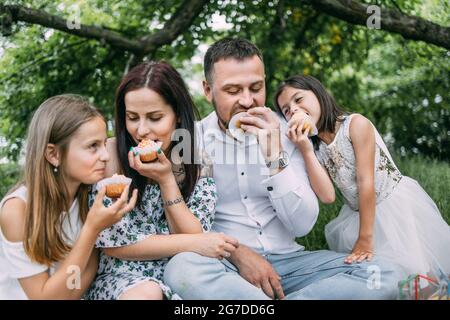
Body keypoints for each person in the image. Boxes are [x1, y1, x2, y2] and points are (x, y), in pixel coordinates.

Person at [163, 38, 402, 300]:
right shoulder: (190, 140)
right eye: (232, 90)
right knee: (181, 268)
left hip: (293, 263)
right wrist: (239, 254)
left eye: (256, 87)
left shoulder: (289, 132)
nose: (247, 101)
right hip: (226, 264)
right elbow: (182, 224)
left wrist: (274, 154)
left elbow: (302, 225)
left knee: (386, 273)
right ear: (208, 90)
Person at [84, 61, 239, 300]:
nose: (141, 130)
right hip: (124, 280)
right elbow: (114, 244)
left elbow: (196, 234)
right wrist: (193, 243)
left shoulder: (196, 160)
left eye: (155, 117)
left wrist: (167, 181)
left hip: (183, 273)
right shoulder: (110, 155)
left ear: (177, 115)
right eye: (132, 117)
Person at [273, 74, 450, 278]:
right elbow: (328, 196)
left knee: (416, 267)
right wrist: (305, 150)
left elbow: (366, 183)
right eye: (286, 110)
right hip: (357, 213)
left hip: (392, 205)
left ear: (318, 94)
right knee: (382, 272)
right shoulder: (315, 147)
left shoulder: (355, 124)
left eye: (298, 99)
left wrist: (365, 237)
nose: (293, 109)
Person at [0, 94, 137, 300]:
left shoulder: (90, 195)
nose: (105, 155)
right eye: (93, 146)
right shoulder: (17, 210)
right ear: (54, 154)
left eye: (103, 143)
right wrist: (92, 229)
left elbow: (89, 269)